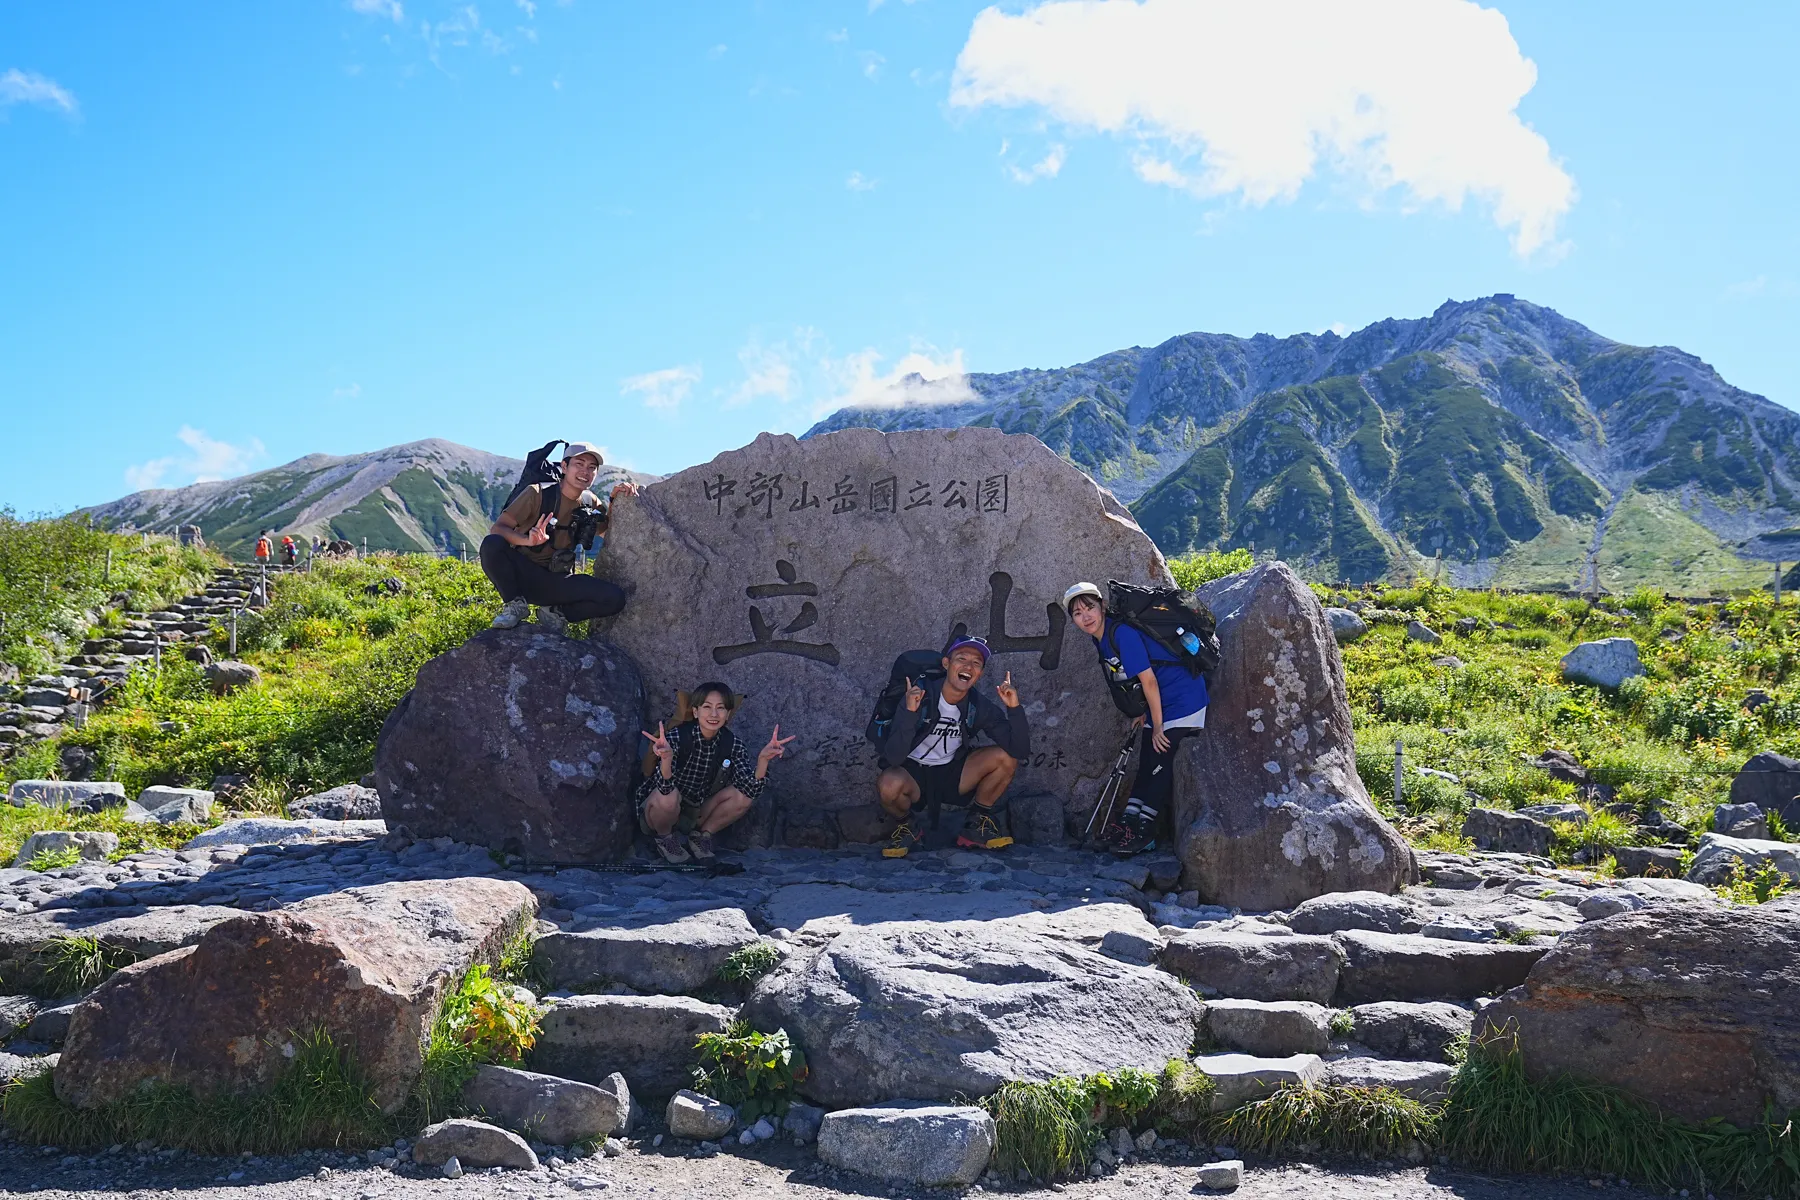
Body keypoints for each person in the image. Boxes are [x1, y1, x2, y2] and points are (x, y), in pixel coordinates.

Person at [1063, 582, 1210, 856]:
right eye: (1077, 613)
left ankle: (1145, 832)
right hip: (1163, 705)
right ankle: (1130, 823)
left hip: (1182, 700)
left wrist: (1158, 727)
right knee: (1146, 764)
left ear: (1102, 607)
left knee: (1158, 763)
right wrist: (1146, 715)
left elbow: (1150, 682)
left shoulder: (1122, 634)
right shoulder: (1102, 639)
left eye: (1090, 608)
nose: (1086, 617)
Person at [875, 636, 1029, 857]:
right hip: (913, 774)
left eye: (976, 663)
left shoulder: (978, 705)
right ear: (946, 664)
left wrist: (1014, 707)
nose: (968, 666)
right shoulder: (919, 696)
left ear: (980, 674)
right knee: (888, 785)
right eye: (962, 658)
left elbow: (1019, 751)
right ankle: (907, 826)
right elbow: (894, 758)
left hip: (953, 773)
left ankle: (976, 824)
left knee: (1005, 758)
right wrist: (909, 713)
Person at [480, 441, 637, 634]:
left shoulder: (589, 501)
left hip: (557, 581)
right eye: (579, 464)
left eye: (592, 468)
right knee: (491, 544)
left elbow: (608, 533)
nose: (585, 472)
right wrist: (527, 540)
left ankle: (556, 612)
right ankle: (515, 604)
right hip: (523, 575)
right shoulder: (537, 493)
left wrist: (615, 500)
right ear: (564, 466)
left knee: (614, 599)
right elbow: (498, 528)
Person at [637, 683, 794, 864]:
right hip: (661, 808)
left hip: (697, 809)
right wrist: (666, 758)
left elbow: (749, 789)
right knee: (669, 796)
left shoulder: (732, 744)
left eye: (720, 708)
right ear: (695, 712)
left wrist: (763, 761)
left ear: (728, 714)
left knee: (743, 797)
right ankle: (666, 839)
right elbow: (663, 787)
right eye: (707, 707)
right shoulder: (675, 737)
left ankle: (701, 836)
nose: (714, 714)